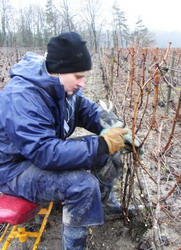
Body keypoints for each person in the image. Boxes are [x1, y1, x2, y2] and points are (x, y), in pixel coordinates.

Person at [0, 32, 133, 250]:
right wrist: (101, 144)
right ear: (58, 70)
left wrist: (111, 126)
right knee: (82, 185)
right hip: (15, 170)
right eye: (78, 76)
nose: (82, 83)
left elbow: (84, 109)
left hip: (38, 157)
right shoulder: (22, 96)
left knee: (108, 153)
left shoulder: (60, 85)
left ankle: (106, 206)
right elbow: (44, 152)